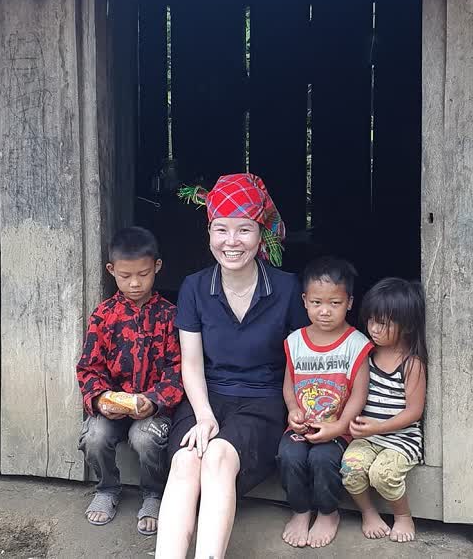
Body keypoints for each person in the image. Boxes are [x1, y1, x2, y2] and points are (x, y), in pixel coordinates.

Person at [155, 173, 308, 558]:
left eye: (243, 230)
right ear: (209, 233)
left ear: (260, 235)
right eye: (221, 229)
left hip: (262, 402)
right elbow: (191, 363)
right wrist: (204, 416)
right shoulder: (193, 287)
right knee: (186, 460)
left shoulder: (287, 288)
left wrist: (296, 407)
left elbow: (300, 358)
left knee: (219, 456)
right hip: (205, 397)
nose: (231, 241)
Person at [76, 226, 183, 536]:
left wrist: (155, 400)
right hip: (112, 405)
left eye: (143, 274)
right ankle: (107, 488)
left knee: (146, 437)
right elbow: (88, 367)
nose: (135, 283)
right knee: (94, 435)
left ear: (157, 268)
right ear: (112, 271)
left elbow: (178, 370)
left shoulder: (171, 316)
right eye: (125, 276)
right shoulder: (103, 315)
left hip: (154, 408)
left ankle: (153, 493)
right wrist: (100, 399)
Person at [278, 257, 372, 549]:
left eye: (335, 303)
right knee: (289, 456)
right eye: (317, 302)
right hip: (303, 425)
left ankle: (329, 512)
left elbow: (359, 392)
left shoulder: (356, 343)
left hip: (338, 428)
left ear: (349, 302)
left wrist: (341, 426)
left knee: (323, 459)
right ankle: (301, 510)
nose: (325, 311)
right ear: (305, 300)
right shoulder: (295, 340)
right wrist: (293, 410)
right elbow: (289, 384)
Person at [341, 278, 427, 543]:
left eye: (384, 323)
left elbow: (414, 411)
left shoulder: (411, 363)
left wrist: (379, 427)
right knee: (350, 468)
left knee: (383, 474)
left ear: (408, 325)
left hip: (401, 440)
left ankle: (402, 516)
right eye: (371, 320)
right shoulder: (365, 354)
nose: (374, 329)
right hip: (368, 437)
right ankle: (368, 512)